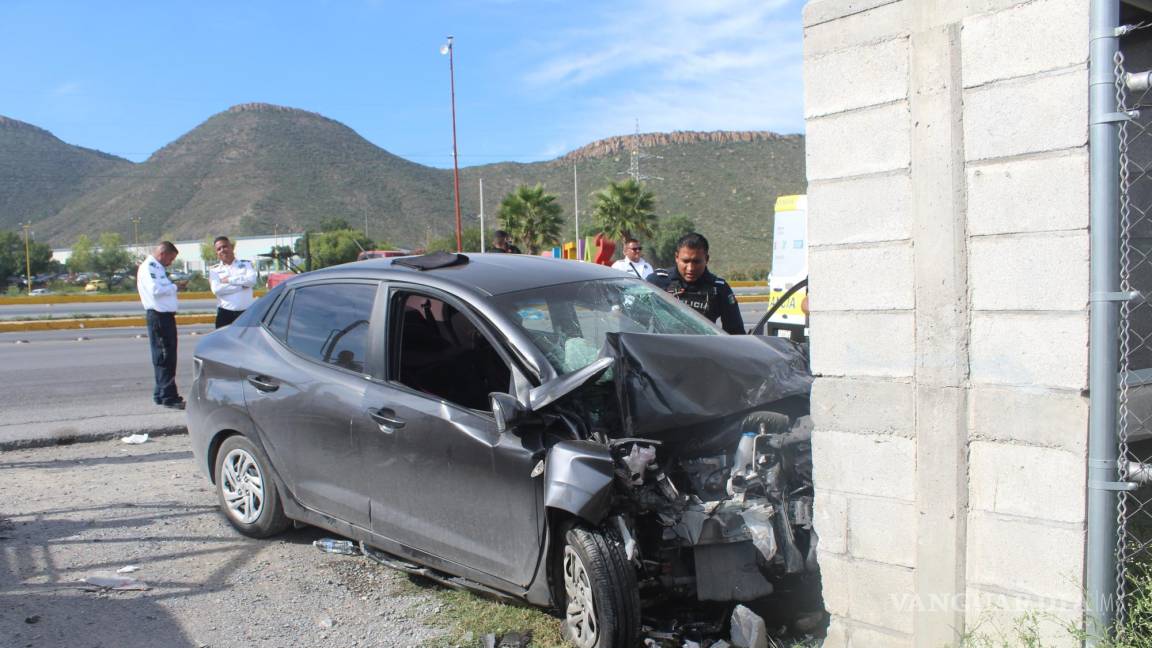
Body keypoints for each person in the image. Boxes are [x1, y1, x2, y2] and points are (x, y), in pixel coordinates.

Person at [647, 232, 745, 334]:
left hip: (701, 348)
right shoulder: (657, 282)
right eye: (685, 261)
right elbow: (635, 319)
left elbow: (736, 332)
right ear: (676, 257)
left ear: (706, 259)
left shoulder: (719, 288)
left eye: (696, 262)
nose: (690, 268)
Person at [137, 241, 184, 409]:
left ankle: (160, 393)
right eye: (170, 259)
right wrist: (174, 287)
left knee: (165, 356)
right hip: (159, 317)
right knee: (165, 357)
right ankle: (169, 396)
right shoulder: (149, 267)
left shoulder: (157, 268)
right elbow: (155, 291)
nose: (170, 262)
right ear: (163, 254)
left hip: (164, 317)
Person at [208, 236, 258, 328]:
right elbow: (217, 290)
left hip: (246, 313)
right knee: (223, 342)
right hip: (225, 314)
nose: (222, 250)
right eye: (219, 249)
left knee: (246, 341)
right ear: (216, 253)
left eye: (225, 246)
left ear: (231, 247)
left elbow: (252, 281)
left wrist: (229, 280)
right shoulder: (214, 270)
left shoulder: (246, 264)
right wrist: (242, 286)